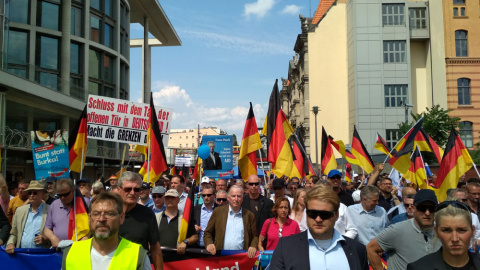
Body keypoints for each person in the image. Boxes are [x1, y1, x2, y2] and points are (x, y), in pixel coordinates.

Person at [270, 185, 368, 270]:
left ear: (336, 215)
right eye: (312, 213)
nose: (318, 219)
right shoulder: (285, 247)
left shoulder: (357, 250)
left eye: (324, 214)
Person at [62, 192, 151, 270]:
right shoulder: (71, 252)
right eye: (96, 214)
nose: (101, 219)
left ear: (121, 218)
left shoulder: (138, 255)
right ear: (89, 218)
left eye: (109, 214)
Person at [367, 189, 441, 270]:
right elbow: (370, 249)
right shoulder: (398, 230)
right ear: (413, 208)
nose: (427, 213)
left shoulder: (442, 232)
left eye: (431, 208)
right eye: (422, 208)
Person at [407, 200, 480, 269]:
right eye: (446, 230)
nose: (455, 239)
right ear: (436, 231)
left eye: (461, 230)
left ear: (472, 230)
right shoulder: (418, 268)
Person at [113, 172, 162, 270]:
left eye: (136, 189)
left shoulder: (148, 213)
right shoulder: (109, 213)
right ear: (119, 189)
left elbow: (155, 248)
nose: (132, 193)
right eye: (128, 189)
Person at [203, 185, 258, 258]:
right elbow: (207, 233)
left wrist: (253, 246)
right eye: (233, 196)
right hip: (221, 258)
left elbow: (255, 236)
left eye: (239, 196)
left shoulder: (249, 215)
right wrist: (209, 244)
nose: (236, 199)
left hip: (241, 259)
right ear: (228, 198)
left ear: (242, 198)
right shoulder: (218, 212)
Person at [5, 181, 50, 252]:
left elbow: (56, 233)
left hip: (42, 255)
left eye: (35, 192)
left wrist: (45, 239)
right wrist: (10, 243)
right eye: (29, 193)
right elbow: (14, 233)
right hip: (23, 255)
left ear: (43, 194)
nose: (32, 195)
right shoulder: (20, 211)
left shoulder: (50, 210)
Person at [44, 178, 88, 247]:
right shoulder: (54, 205)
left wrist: (85, 239)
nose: (63, 198)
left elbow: (93, 224)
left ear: (73, 191)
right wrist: (53, 238)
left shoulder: (85, 203)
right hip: (59, 250)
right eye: (59, 195)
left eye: (66, 194)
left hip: (80, 247)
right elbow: (47, 229)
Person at [156, 189, 197, 254]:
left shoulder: (185, 219)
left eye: (172, 197)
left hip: (177, 259)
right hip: (158, 257)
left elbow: (195, 237)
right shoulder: (156, 217)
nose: (169, 200)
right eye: (167, 198)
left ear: (178, 200)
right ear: (164, 200)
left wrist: (185, 242)